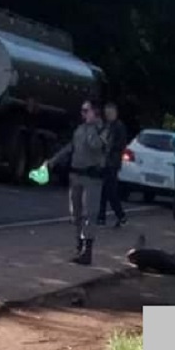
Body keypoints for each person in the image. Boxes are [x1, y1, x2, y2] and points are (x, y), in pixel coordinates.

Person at [46, 100, 108, 265]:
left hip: (92, 178)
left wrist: (93, 126)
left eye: (86, 111)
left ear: (95, 112)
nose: (83, 114)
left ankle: (87, 251)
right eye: (82, 111)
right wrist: (53, 161)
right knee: (76, 213)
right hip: (76, 176)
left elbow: (95, 145)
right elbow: (71, 147)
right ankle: (79, 245)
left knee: (90, 214)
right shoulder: (80, 129)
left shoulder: (102, 130)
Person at [96, 101, 128, 228]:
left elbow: (121, 144)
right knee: (103, 191)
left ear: (115, 113)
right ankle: (101, 217)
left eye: (110, 113)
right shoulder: (106, 125)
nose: (108, 115)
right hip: (104, 162)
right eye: (106, 113)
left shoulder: (119, 126)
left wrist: (109, 146)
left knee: (111, 191)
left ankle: (121, 215)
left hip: (112, 163)